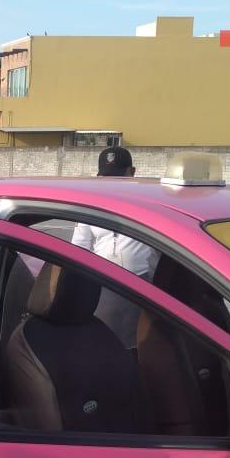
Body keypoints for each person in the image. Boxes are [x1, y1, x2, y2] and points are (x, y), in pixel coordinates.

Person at [72, 146, 158, 348]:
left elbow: (160, 251)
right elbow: (79, 247)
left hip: (139, 285)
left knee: (137, 345)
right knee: (102, 343)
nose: (111, 182)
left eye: (118, 176)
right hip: (101, 284)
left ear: (132, 172)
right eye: (106, 177)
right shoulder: (90, 204)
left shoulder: (148, 203)